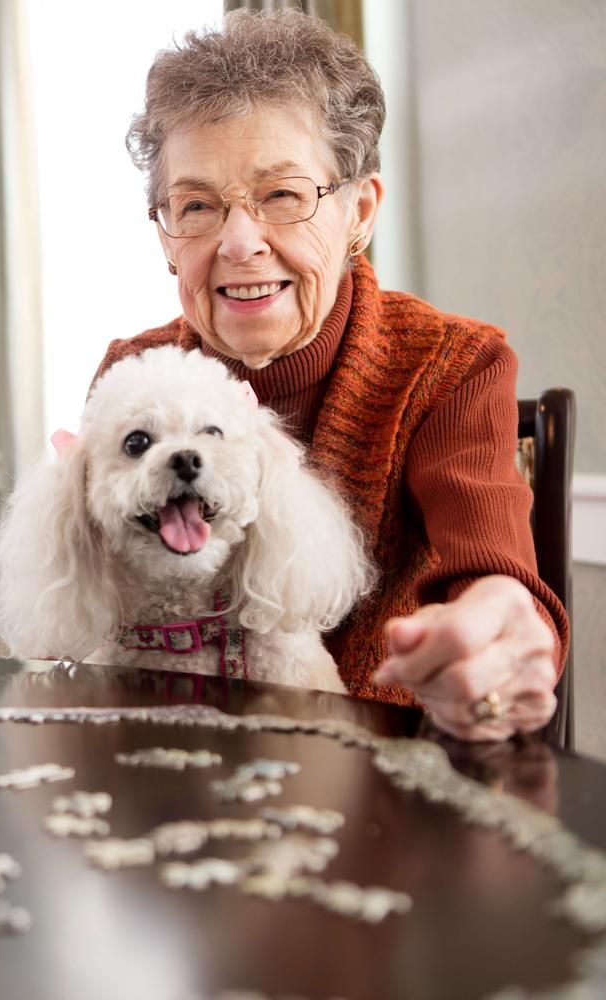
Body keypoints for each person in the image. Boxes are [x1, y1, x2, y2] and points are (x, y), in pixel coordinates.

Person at [92, 8, 567, 742]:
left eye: (283, 195)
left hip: (392, 787)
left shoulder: (452, 367)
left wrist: (496, 632)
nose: (240, 243)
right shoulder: (130, 374)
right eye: (196, 205)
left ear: (359, 213)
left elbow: (490, 570)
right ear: (163, 233)